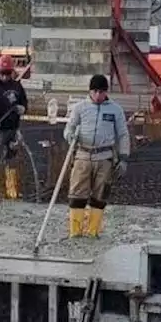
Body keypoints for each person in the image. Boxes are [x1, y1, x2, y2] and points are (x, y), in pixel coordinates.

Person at [63, 74, 130, 238]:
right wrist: (70, 136)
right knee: (77, 194)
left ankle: (93, 231)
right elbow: (69, 128)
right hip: (83, 156)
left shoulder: (115, 110)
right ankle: (75, 232)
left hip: (104, 157)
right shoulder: (80, 108)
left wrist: (123, 159)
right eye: (95, 92)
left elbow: (123, 135)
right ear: (90, 91)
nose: (98, 96)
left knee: (100, 196)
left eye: (102, 92)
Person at [0, 54, 28, 199]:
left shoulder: (17, 86)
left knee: (11, 161)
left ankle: (12, 192)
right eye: (2, 73)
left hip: (13, 129)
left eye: (7, 73)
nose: (5, 76)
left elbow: (24, 101)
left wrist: (23, 108)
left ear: (11, 72)